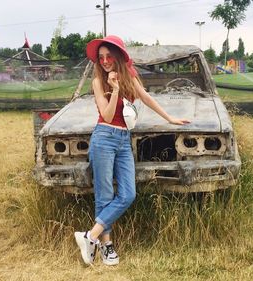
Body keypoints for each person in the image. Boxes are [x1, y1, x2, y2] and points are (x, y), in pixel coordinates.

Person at [74, 35, 190, 266]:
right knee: (104, 195)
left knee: (128, 194)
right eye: (101, 57)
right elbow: (107, 115)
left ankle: (90, 236)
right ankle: (106, 246)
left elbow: (145, 97)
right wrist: (115, 90)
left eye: (109, 56)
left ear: (118, 57)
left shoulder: (130, 74)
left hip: (123, 140)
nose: (105, 61)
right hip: (104, 138)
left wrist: (169, 118)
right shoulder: (99, 81)